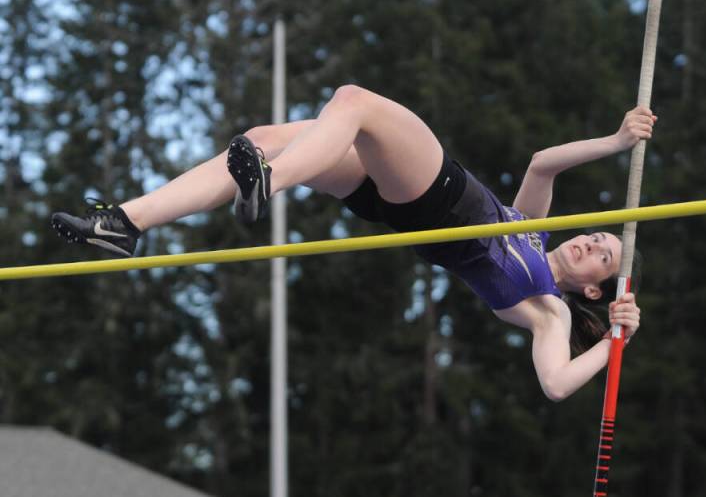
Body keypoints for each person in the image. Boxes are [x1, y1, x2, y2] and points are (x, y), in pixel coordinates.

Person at [50, 85, 648, 401]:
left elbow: (556, 385)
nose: (590, 241)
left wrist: (613, 341)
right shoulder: (532, 228)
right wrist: (616, 142)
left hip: (434, 198)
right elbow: (543, 164)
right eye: (597, 234)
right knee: (260, 139)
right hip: (395, 199)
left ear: (594, 286)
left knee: (354, 102)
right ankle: (124, 224)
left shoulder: (547, 310)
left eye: (602, 255)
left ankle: (269, 184)